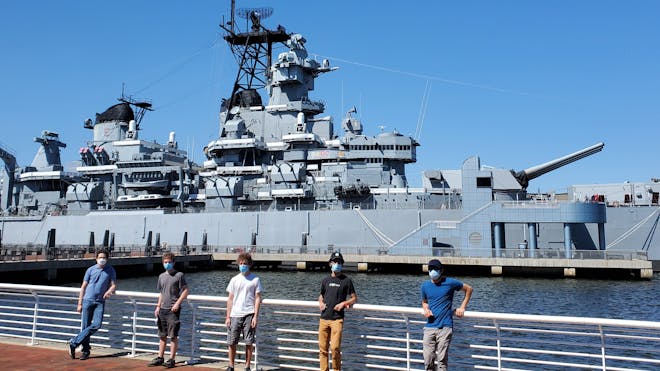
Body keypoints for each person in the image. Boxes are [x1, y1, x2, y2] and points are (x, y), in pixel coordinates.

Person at [421, 259, 473, 371]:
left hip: (445, 326)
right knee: (428, 359)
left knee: (442, 361)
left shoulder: (450, 282)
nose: (433, 271)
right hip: (430, 326)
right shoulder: (425, 286)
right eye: (430, 269)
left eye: (435, 269)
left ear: (441, 270)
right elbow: (424, 301)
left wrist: (462, 307)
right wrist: (426, 309)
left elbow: (469, 289)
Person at [68, 249, 117, 360]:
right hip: (87, 300)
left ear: (107, 259)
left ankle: (74, 343)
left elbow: (114, 285)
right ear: (96, 258)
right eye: (100, 257)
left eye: (104, 258)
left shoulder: (110, 270)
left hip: (100, 301)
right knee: (85, 326)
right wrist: (79, 303)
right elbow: (83, 287)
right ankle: (85, 351)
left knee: (97, 325)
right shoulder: (90, 270)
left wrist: (109, 291)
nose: (102, 260)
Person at [318, 251, 358, 371]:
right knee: (322, 349)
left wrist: (344, 303)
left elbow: (354, 298)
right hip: (324, 318)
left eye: (340, 262)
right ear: (330, 263)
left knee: (335, 348)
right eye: (335, 262)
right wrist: (320, 302)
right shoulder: (325, 280)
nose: (337, 264)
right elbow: (321, 295)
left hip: (337, 320)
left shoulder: (346, 280)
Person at [149, 252, 189, 368]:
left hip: (173, 309)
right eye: (165, 262)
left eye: (169, 262)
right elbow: (161, 293)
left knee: (173, 335)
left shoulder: (179, 275)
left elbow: (185, 290)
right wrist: (158, 306)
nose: (167, 264)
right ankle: (160, 357)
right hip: (163, 309)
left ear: (174, 262)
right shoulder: (161, 276)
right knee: (162, 335)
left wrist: (177, 303)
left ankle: (172, 359)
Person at [225, 252, 263, 371]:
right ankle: (231, 365)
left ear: (249, 264)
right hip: (235, 314)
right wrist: (228, 316)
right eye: (240, 264)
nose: (242, 266)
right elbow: (230, 299)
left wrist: (255, 316)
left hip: (249, 314)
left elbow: (257, 298)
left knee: (249, 342)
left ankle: (247, 366)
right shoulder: (234, 280)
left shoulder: (255, 279)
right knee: (232, 342)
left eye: (245, 264)